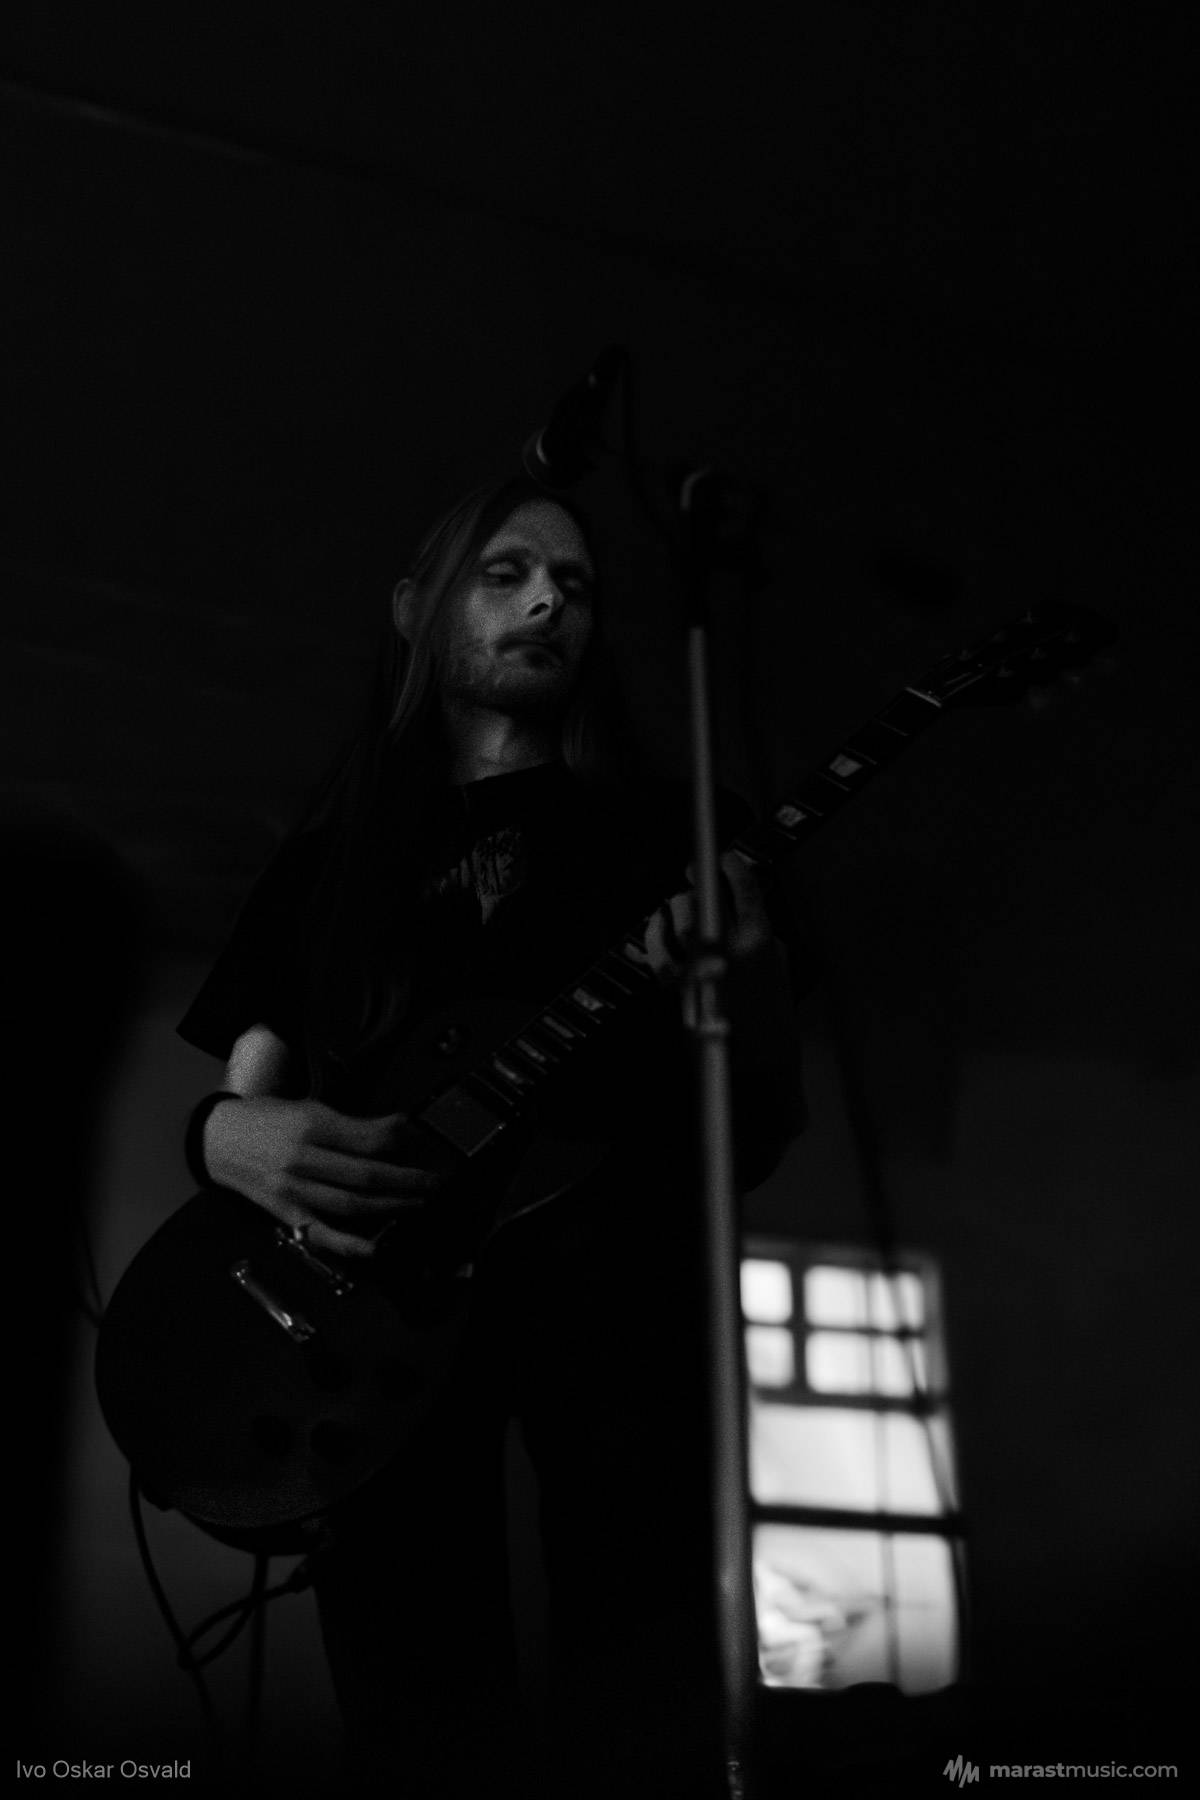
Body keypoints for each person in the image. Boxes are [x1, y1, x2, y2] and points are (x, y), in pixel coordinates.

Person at [176, 472, 805, 1797]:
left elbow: (755, 1127)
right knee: (415, 1718)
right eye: (506, 573)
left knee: (646, 1699)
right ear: (417, 609)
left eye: (575, 585)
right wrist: (220, 1137)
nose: (548, 603)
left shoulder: (675, 834)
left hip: (622, 1323)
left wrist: (741, 984)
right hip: (375, 1342)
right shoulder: (334, 858)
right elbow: (253, 1101)